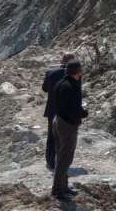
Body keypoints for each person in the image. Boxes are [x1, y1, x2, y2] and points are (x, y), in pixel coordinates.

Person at [50, 61, 87, 201]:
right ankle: (57, 190)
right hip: (67, 125)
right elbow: (72, 109)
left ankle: (63, 186)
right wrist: (83, 113)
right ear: (78, 72)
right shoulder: (71, 86)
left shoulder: (62, 83)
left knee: (61, 156)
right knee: (65, 158)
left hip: (58, 120)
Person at [41, 52, 76, 171]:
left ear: (61, 61)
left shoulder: (50, 72)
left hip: (52, 110)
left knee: (51, 136)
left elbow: (45, 89)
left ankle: (50, 162)